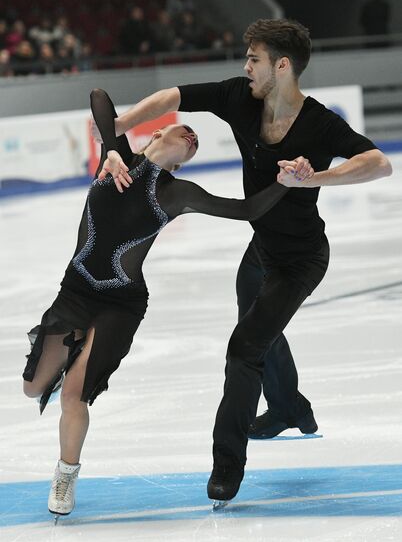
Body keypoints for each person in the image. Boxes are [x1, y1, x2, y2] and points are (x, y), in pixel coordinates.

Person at [93, 18, 392, 503]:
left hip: (300, 260)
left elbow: (379, 162)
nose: (244, 66)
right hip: (260, 250)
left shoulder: (319, 123)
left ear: (281, 66)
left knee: (244, 347)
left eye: (253, 59)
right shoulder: (238, 97)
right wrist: (122, 128)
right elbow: (171, 95)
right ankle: (290, 408)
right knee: (257, 327)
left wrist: (314, 179)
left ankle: (226, 466)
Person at [22, 88, 292, 516]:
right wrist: (112, 148)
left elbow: (245, 210)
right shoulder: (117, 162)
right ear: (155, 135)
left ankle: (65, 476)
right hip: (76, 290)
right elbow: (98, 97)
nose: (191, 136)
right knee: (33, 386)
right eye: (185, 130)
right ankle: (73, 355)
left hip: (121, 304)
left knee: (74, 396)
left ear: (183, 162)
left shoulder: (177, 192)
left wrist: (283, 183)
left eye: (195, 142)